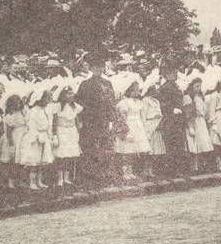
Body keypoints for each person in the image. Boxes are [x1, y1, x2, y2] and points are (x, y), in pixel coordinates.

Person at [75, 57, 117, 186]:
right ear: (91, 69)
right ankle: (91, 173)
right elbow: (79, 102)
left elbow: (111, 102)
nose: (98, 70)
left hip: (103, 119)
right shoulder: (85, 84)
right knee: (91, 146)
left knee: (105, 145)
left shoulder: (107, 83)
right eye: (95, 68)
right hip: (90, 120)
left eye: (100, 67)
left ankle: (104, 172)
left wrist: (111, 119)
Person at [114, 81, 151, 181]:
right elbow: (122, 118)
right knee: (127, 150)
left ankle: (131, 171)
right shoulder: (124, 102)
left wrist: (145, 130)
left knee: (135, 150)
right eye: (134, 90)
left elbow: (142, 116)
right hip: (129, 125)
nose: (136, 93)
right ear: (129, 90)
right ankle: (125, 172)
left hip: (138, 126)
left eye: (138, 90)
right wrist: (125, 131)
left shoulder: (139, 102)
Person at [156, 63, 185, 176]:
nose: (175, 75)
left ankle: (178, 169)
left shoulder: (175, 86)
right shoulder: (165, 87)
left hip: (178, 118)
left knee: (178, 143)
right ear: (167, 75)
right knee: (171, 144)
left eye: (176, 73)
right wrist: (172, 109)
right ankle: (172, 170)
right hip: (170, 119)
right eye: (173, 73)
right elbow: (162, 103)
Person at [23, 89, 55, 190]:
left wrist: (49, 135)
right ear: (40, 99)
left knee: (42, 162)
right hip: (35, 138)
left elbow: (49, 123)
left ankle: (39, 181)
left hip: (44, 136)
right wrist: (37, 136)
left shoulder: (46, 110)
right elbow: (31, 125)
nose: (48, 101)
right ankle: (32, 182)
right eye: (46, 98)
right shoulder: (33, 111)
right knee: (34, 162)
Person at [52, 87, 83, 187]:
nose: (71, 95)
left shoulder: (75, 107)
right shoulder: (58, 107)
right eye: (69, 94)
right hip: (62, 131)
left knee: (70, 155)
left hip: (71, 132)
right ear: (63, 95)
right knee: (62, 155)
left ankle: (67, 177)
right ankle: (60, 178)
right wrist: (55, 135)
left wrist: (78, 131)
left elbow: (76, 120)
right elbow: (54, 122)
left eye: (72, 93)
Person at [183, 77, 214, 172]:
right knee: (194, 144)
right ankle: (194, 166)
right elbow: (188, 113)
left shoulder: (200, 98)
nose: (198, 88)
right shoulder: (188, 97)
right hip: (194, 121)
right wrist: (190, 126)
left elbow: (205, 111)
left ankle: (201, 165)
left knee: (203, 143)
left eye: (199, 86)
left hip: (201, 122)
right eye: (196, 86)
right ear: (191, 87)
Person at [0, 95, 26, 190]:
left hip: (22, 139)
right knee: (10, 162)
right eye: (16, 103)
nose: (18, 104)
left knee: (20, 162)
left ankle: (19, 180)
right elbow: (9, 132)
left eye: (19, 102)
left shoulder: (23, 113)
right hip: (13, 139)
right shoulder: (10, 116)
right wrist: (11, 145)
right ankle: (8, 181)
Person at [141, 84, 165, 178]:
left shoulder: (156, 101)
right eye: (154, 89)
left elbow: (159, 113)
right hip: (149, 126)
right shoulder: (145, 100)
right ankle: (146, 170)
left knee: (156, 150)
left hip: (157, 126)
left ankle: (151, 169)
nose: (156, 91)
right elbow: (143, 115)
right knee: (149, 151)